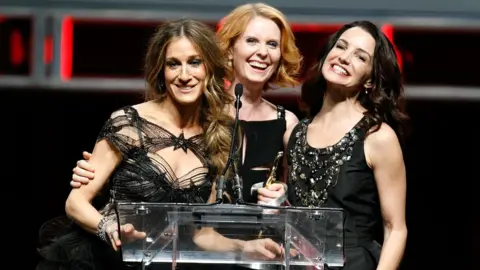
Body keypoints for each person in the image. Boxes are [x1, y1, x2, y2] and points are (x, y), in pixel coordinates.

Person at [36, 19, 282, 270]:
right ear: (161, 71)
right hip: (105, 260)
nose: (184, 75)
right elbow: (75, 203)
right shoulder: (130, 123)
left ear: (209, 67)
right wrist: (110, 228)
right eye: (173, 64)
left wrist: (245, 247)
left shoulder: (218, 136)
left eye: (194, 62)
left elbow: (202, 235)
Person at [70, 3, 302, 205]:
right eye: (252, 41)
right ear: (230, 50)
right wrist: (102, 174)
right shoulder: (195, 107)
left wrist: (283, 196)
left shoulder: (287, 122)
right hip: (190, 242)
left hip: (256, 246)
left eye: (272, 44)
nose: (263, 52)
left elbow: (298, 198)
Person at [259, 21, 409, 270]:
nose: (344, 58)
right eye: (341, 46)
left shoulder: (378, 137)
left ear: (370, 81)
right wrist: (280, 198)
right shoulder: (295, 134)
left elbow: (396, 229)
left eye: (360, 57)